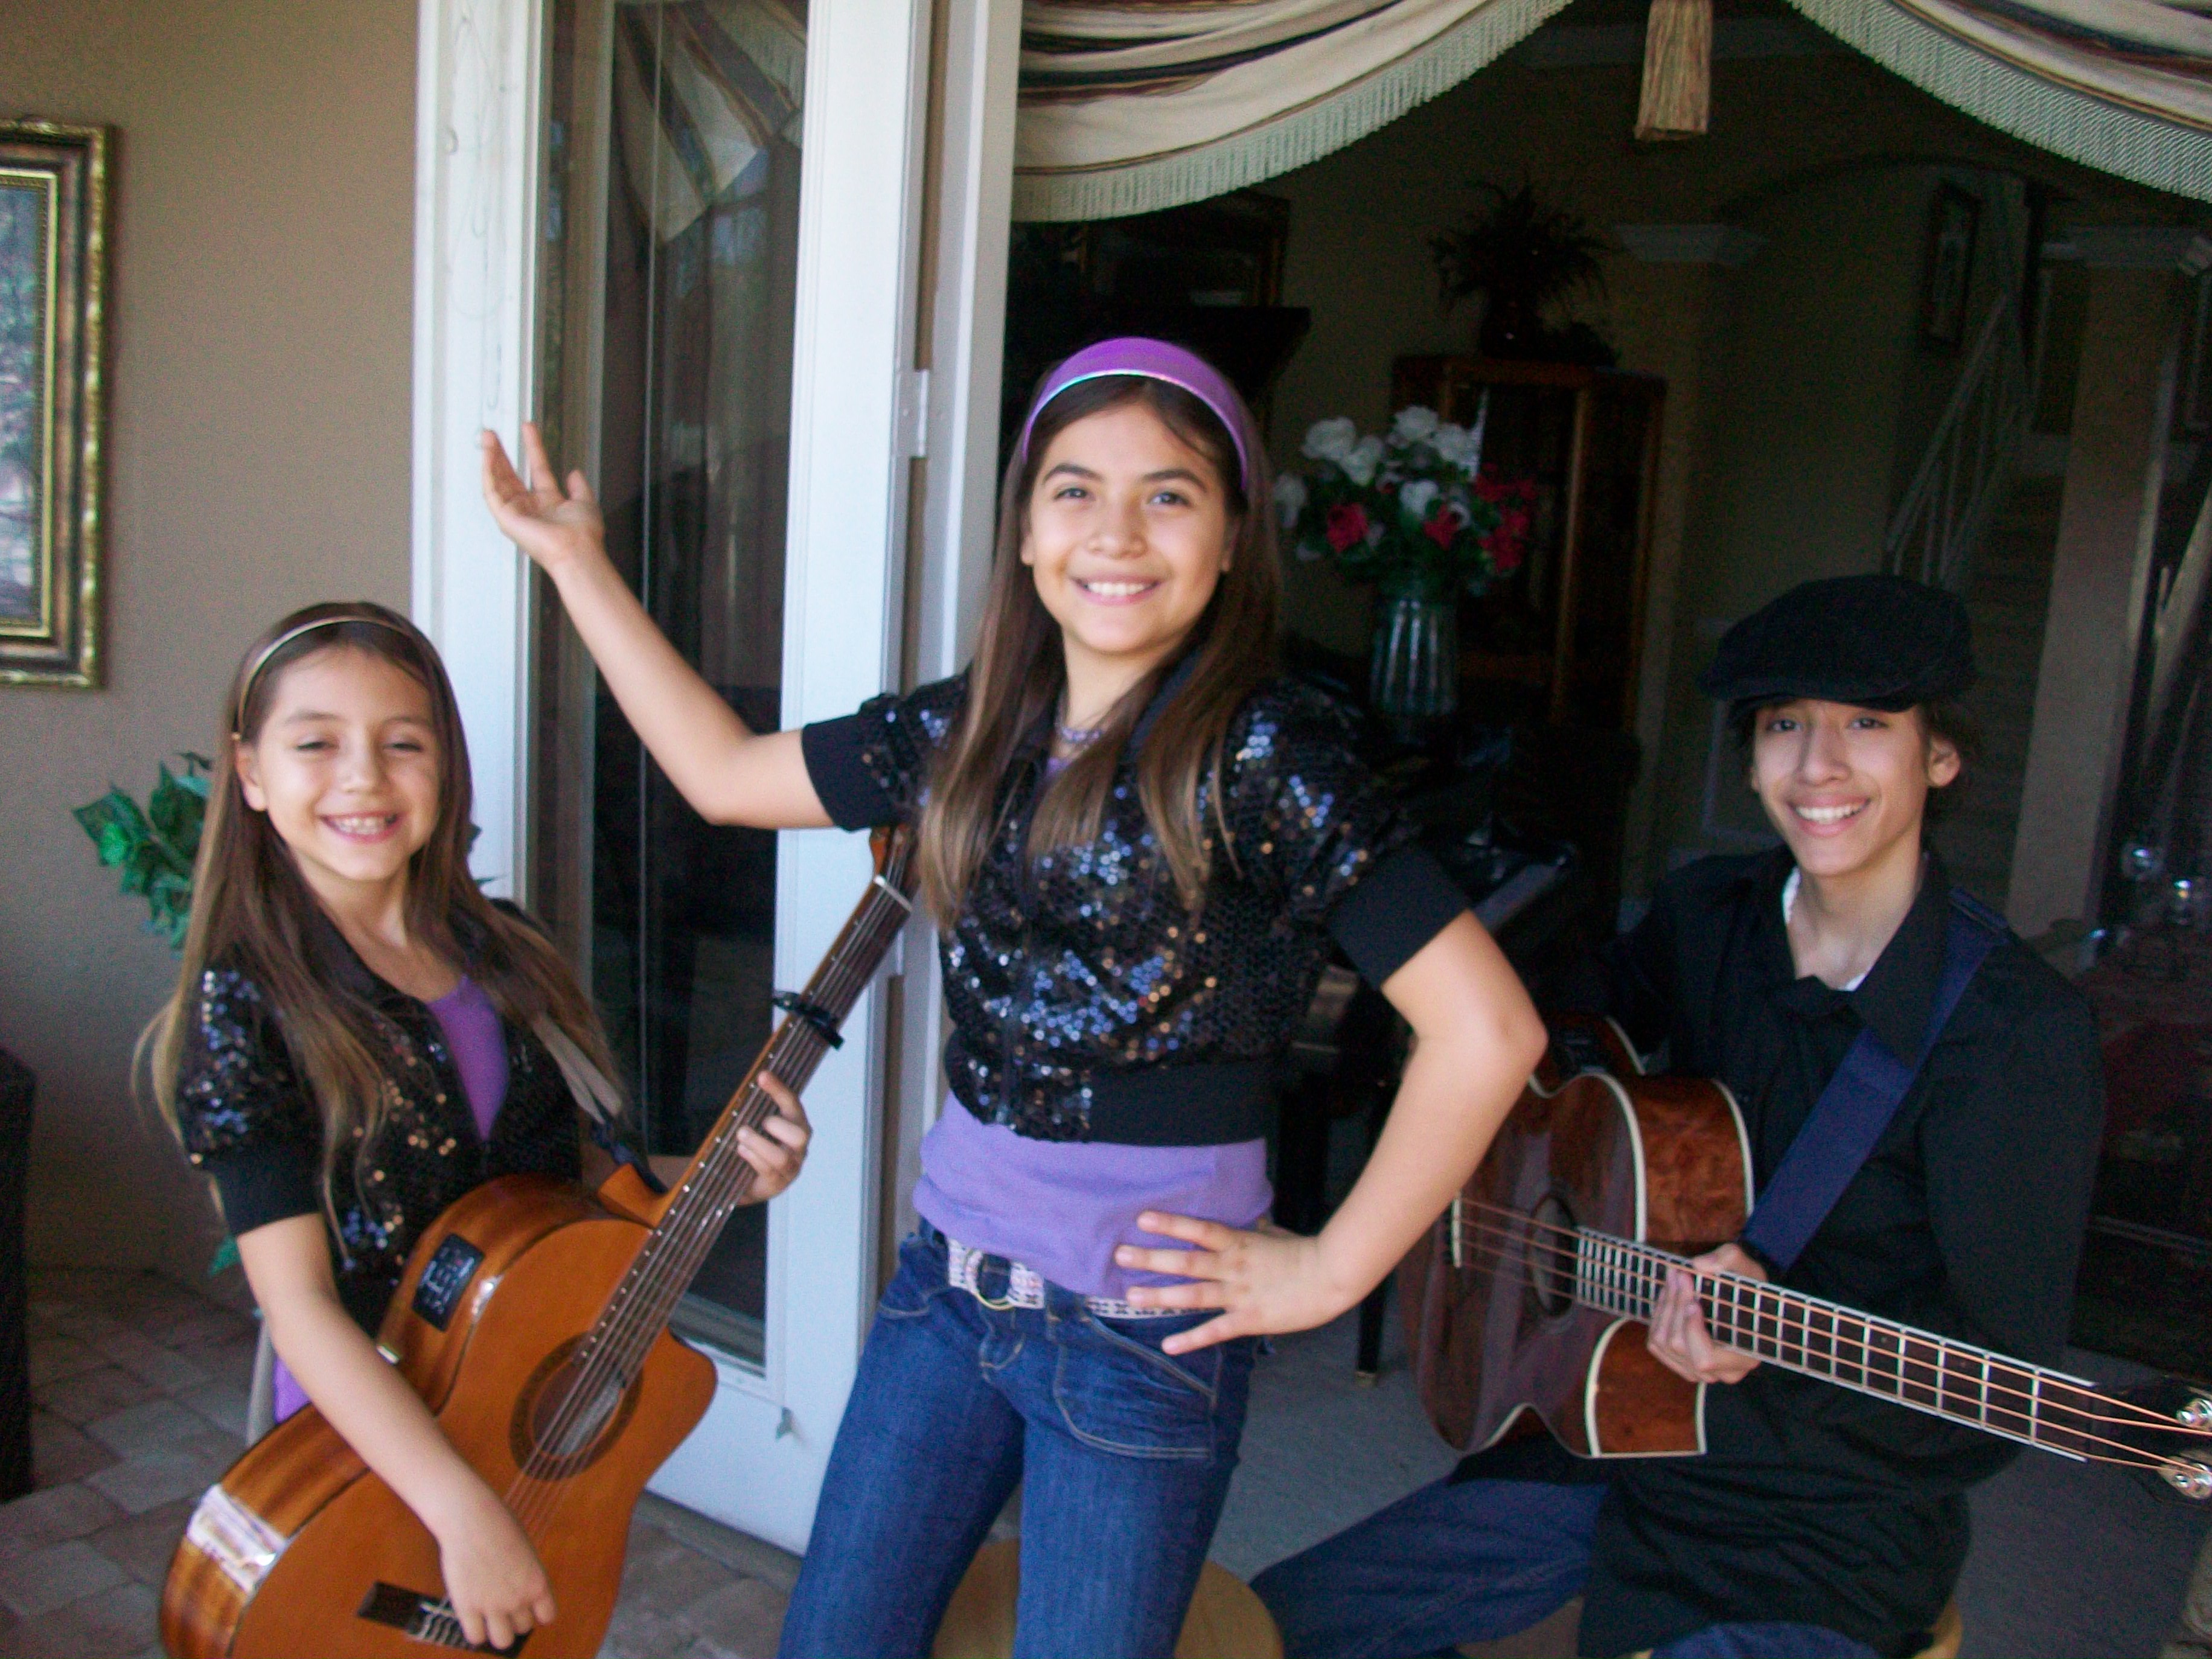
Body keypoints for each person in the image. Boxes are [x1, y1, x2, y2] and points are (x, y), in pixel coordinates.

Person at [481, 335, 1549, 1659]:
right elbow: (724, 774)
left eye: (1169, 494)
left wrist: (1333, 1270)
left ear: (1231, 540)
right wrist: (576, 563)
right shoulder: (970, 728)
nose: (1117, 532)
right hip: (945, 1298)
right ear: (1028, 536)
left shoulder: (1267, 753)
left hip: (1143, 1338)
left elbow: (1487, 1030)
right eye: (1073, 489)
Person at [1252, 574, 2108, 1659]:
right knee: (1262, 1631)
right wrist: (1530, 1164)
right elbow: (1560, 1036)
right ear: (1748, 760)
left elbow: (2001, 1394)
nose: (1819, 765)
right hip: (1605, 1440)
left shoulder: (2019, 1036)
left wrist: (1770, 1357)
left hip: (1823, 1532)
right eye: (1784, 724)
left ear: (1940, 757)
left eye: (1867, 724)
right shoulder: (1712, 915)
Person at [149, 602, 814, 1652]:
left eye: (402, 744)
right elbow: (300, 1305)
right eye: (316, 744)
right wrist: (460, 1511)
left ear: (445, 768)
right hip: (369, 1444)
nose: (364, 778)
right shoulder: (250, 1005)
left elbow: (567, 1194)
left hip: (511, 1402)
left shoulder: (505, 955)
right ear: (251, 773)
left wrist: (719, 1173)